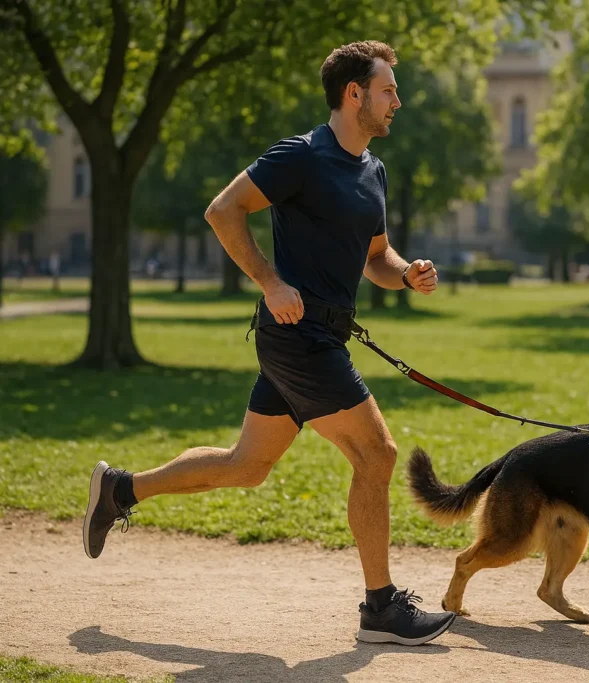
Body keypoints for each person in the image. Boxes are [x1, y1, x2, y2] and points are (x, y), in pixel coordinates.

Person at [81, 41, 456, 646]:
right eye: (388, 89)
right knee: (377, 455)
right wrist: (272, 280)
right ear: (353, 94)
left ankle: (121, 488)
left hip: (322, 334)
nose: (397, 101)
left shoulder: (372, 171)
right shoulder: (301, 157)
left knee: (247, 467)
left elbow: (375, 258)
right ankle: (381, 609)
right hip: (298, 336)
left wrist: (406, 272)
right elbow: (223, 210)